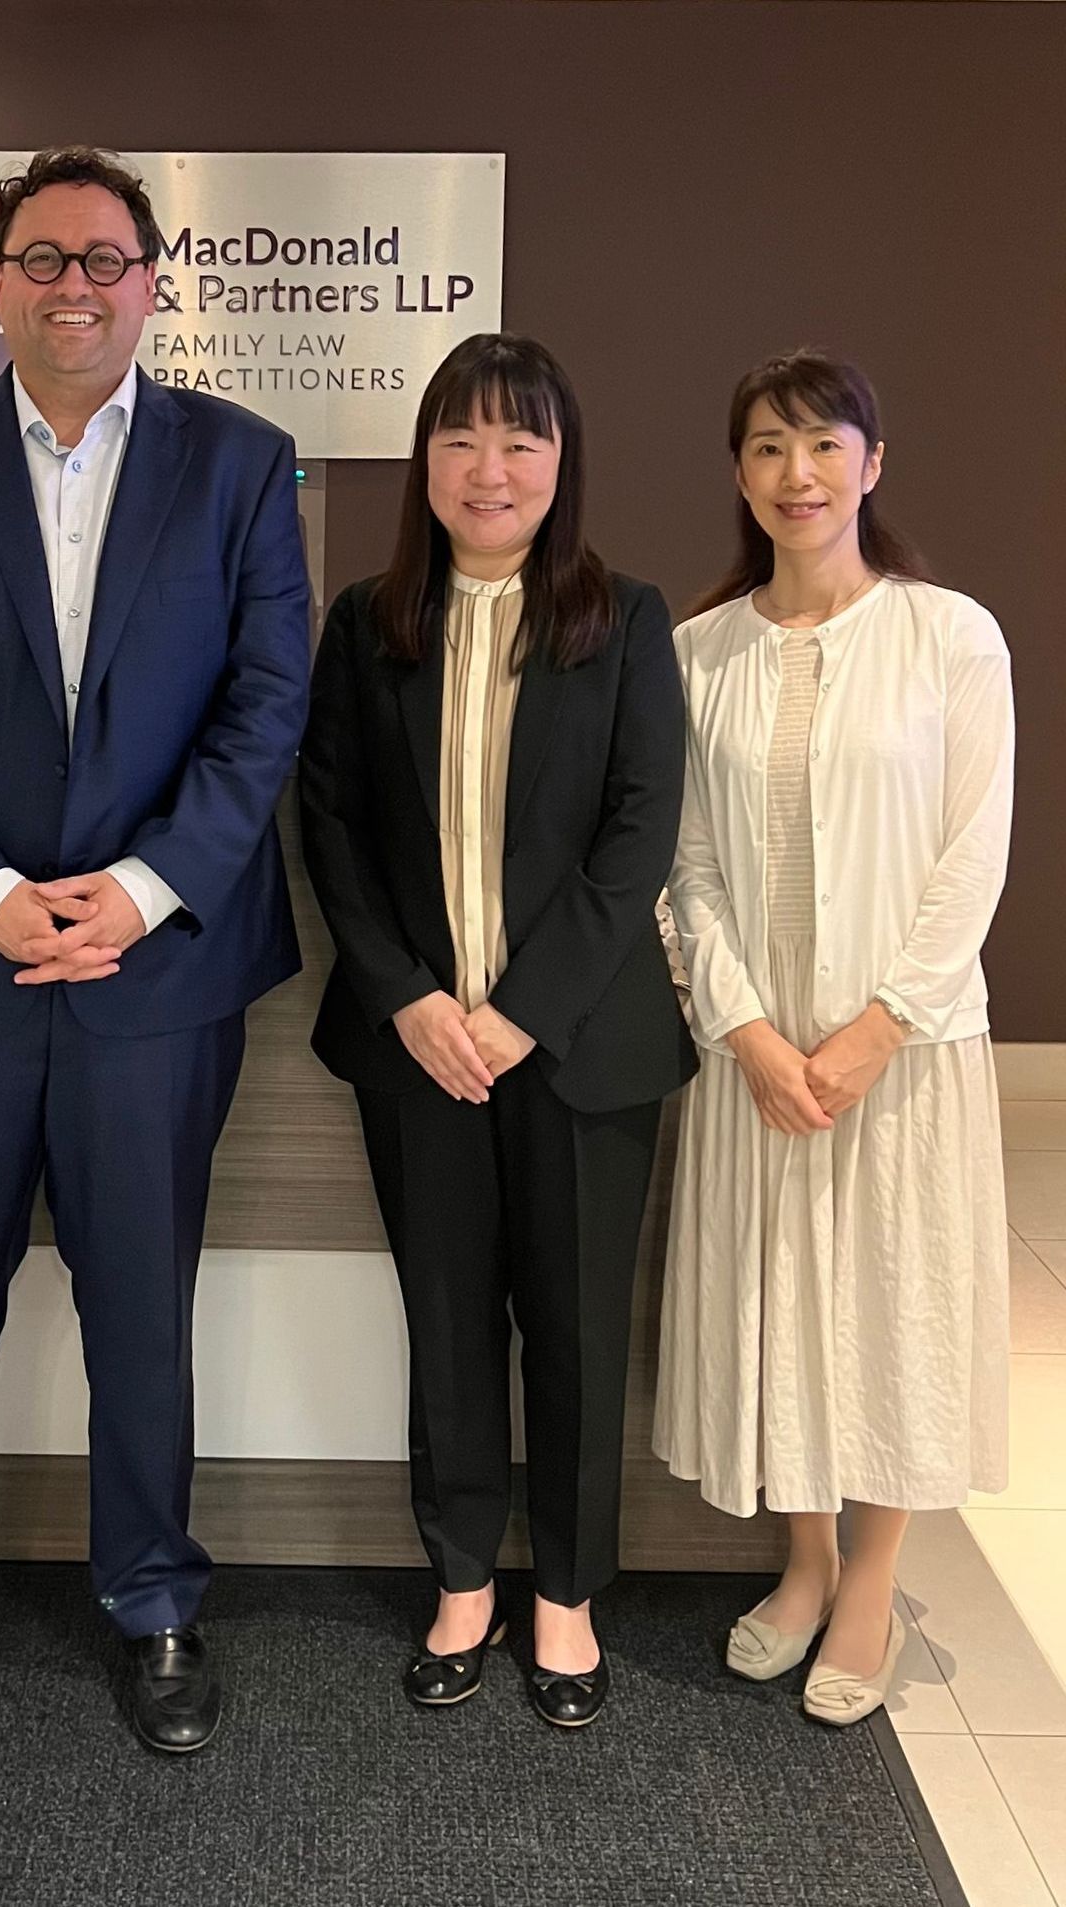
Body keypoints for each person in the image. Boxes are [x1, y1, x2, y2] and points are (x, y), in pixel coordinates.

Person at [0, 145, 309, 1763]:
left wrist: (147, 884)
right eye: (44, 260)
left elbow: (264, 707)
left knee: (142, 1310)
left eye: (107, 259)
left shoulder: (243, 462)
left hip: (155, 973)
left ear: (152, 281)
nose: (76, 287)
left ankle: (158, 1602)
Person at [301, 333, 694, 1728]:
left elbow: (638, 835)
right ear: (425, 461)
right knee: (451, 1322)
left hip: (580, 1050)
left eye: (522, 440)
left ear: (560, 461)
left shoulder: (624, 616)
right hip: (417, 1046)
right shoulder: (367, 620)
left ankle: (569, 1594)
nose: (491, 467)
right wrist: (412, 997)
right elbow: (330, 823)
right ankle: (463, 1576)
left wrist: (520, 1015)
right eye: (462, 438)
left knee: (577, 1331)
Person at [655, 349, 1013, 1725]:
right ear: (738, 475)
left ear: (871, 462)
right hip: (757, 1058)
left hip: (902, 1058)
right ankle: (801, 1564)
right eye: (764, 449)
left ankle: (873, 1582)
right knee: (779, 1313)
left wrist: (876, 1031)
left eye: (820, 446)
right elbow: (683, 869)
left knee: (887, 1313)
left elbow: (970, 861)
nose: (794, 475)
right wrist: (743, 1026)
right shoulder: (699, 653)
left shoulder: (949, 636)